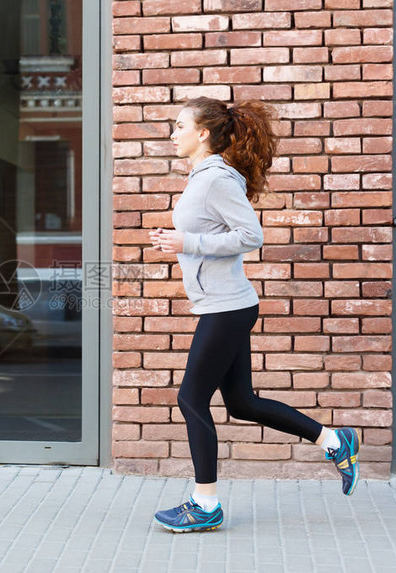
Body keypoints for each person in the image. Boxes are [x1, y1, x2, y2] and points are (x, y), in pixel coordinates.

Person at [148, 97, 360, 533]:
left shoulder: (215, 179)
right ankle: (335, 441)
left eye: (179, 125)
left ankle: (204, 503)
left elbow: (251, 236)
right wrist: (181, 239)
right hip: (225, 304)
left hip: (227, 308)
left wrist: (188, 244)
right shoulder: (203, 177)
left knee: (190, 399)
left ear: (202, 133)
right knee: (242, 403)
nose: (173, 133)